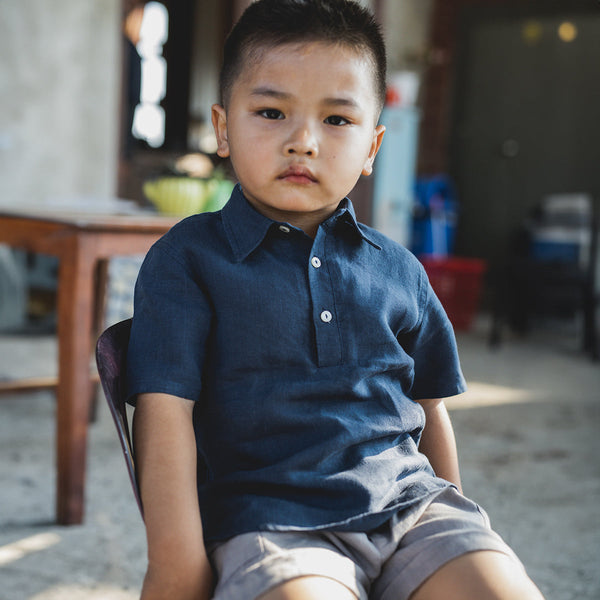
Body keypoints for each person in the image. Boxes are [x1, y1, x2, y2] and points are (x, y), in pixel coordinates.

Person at [126, 1, 546, 598]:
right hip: (273, 523)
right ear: (223, 127)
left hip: (412, 508)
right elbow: (164, 416)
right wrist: (174, 567)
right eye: (271, 112)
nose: (303, 142)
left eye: (337, 121)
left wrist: (460, 526)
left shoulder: (399, 269)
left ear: (373, 145)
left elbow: (430, 411)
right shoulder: (189, 259)